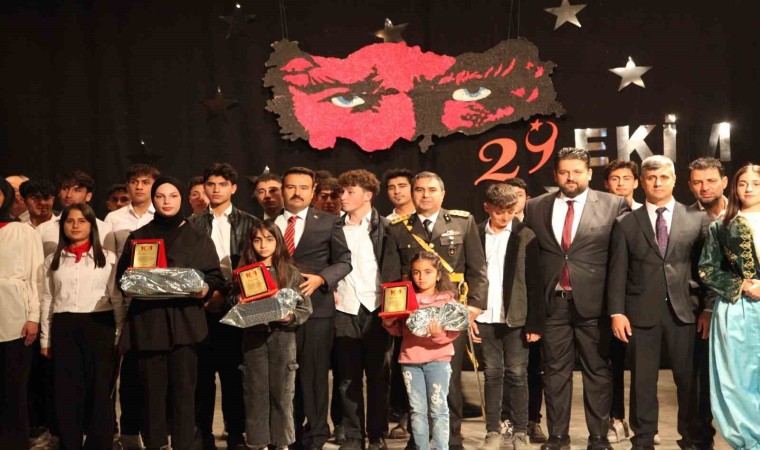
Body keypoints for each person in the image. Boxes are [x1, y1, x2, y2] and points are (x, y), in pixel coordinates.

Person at [523, 147, 628, 450]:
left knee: (598, 371)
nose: (571, 177)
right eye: (564, 172)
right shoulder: (535, 207)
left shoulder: (613, 204)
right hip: (553, 303)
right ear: (555, 174)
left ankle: (599, 438)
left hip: (595, 305)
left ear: (589, 174)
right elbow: (532, 262)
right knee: (554, 373)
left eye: (577, 172)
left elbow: (619, 261)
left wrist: (616, 307)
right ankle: (558, 437)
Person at [115, 176, 225, 450]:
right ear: (153, 199)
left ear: (181, 198)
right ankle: (155, 444)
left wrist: (205, 289)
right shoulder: (139, 237)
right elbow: (122, 279)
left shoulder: (198, 236)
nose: (167, 201)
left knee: (185, 394)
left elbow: (215, 276)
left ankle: (184, 444)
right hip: (148, 324)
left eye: (173, 195)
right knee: (151, 396)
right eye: (160, 196)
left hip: (186, 326)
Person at [607, 155, 710, 450]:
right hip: (640, 313)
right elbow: (617, 272)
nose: (658, 183)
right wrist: (617, 312)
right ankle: (642, 439)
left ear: (674, 180)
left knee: (690, 381)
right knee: (642, 381)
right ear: (642, 182)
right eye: (651, 178)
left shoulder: (697, 218)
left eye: (664, 177)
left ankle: (692, 438)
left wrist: (707, 308)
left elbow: (706, 269)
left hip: (686, 311)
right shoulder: (626, 222)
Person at [382, 171, 488, 450]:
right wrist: (393, 314)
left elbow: (477, 269)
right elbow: (392, 277)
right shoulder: (397, 228)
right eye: (419, 190)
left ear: (443, 194)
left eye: (431, 190)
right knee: (414, 381)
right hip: (413, 314)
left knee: (448, 380)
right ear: (412, 194)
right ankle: (418, 440)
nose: (425, 195)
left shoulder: (463, 222)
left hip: (450, 310)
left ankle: (451, 440)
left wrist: (474, 306)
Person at [275, 166, 351, 450]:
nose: (297, 193)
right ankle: (289, 435)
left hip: (317, 310)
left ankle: (317, 436)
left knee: (315, 375)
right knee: (284, 376)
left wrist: (322, 279)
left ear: (312, 191)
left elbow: (344, 261)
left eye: (303, 188)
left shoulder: (329, 222)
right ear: (283, 190)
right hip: (278, 312)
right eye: (291, 187)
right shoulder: (268, 224)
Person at [39, 203, 125, 450]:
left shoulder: (108, 259)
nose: (75, 226)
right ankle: (69, 443)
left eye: (82, 221)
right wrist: (45, 339)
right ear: (63, 226)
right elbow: (48, 299)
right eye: (69, 221)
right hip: (64, 327)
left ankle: (100, 443)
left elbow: (117, 299)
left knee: (100, 390)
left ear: (92, 225)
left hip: (99, 325)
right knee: (67, 391)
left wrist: (119, 334)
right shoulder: (52, 261)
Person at [188, 163, 260, 450]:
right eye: (211, 184)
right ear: (204, 187)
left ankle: (236, 433)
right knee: (201, 375)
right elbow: (187, 266)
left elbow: (255, 264)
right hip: (201, 306)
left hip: (236, 305)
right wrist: (207, 294)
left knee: (234, 375)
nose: (216, 190)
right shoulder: (191, 224)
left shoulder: (250, 223)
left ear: (234, 188)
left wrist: (228, 294)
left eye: (222, 184)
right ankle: (202, 433)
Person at [476, 183, 543, 450]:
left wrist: (535, 322)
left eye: (510, 211)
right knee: (492, 373)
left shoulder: (525, 235)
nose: (505, 217)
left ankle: (520, 432)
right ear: (487, 208)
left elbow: (535, 282)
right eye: (499, 211)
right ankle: (493, 431)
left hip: (516, 317)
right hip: (484, 315)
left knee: (517, 374)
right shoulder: (475, 233)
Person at [698, 162, 760, 450]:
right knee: (738, 379)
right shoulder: (722, 225)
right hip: (737, 309)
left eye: (756, 183)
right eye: (742, 183)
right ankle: (749, 441)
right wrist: (742, 285)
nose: (748, 189)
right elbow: (707, 269)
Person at [236, 221, 312, 450]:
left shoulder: (290, 272)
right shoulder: (245, 272)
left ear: (278, 242)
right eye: (257, 240)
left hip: (282, 337)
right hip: (254, 338)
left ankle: (282, 443)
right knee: (256, 392)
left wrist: (290, 317)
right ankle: (258, 442)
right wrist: (238, 302)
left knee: (282, 393)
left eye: (269, 239)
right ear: (251, 243)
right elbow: (232, 302)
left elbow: (305, 308)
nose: (263, 245)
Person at [334, 169, 392, 450]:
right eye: (342, 191)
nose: (343, 197)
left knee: (379, 376)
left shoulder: (386, 227)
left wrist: (392, 309)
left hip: (377, 308)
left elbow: (393, 268)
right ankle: (353, 435)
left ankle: (377, 434)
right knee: (347, 377)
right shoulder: (333, 227)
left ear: (367, 195)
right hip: (344, 308)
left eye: (350, 192)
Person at [382, 251, 462, 450]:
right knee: (417, 410)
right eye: (416, 272)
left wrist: (438, 334)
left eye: (427, 272)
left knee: (439, 408)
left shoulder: (446, 301)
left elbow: (454, 332)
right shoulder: (405, 298)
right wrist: (389, 321)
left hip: (438, 361)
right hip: (411, 360)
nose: (421, 277)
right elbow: (399, 330)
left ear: (438, 274)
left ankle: (442, 447)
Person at [104, 163, 158, 449]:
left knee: (149, 372)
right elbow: (108, 262)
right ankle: (123, 431)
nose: (139, 186)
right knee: (120, 371)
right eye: (134, 181)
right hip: (121, 299)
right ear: (127, 185)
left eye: (145, 181)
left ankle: (153, 432)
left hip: (153, 303)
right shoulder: (113, 218)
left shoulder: (162, 213)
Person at [499, 177, 546, 444]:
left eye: (518, 194)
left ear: (526, 198)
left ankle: (532, 420)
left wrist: (535, 321)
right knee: (502, 371)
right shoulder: (488, 229)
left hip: (529, 311)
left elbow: (536, 280)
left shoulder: (534, 229)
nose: (512, 199)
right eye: (508, 194)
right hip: (501, 312)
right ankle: (506, 420)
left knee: (532, 369)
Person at [687, 157, 728, 450]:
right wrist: (707, 307)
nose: (705, 187)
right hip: (701, 311)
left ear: (724, 182)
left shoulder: (747, 212)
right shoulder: (686, 217)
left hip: (746, 307)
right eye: (697, 182)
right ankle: (702, 440)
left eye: (711, 180)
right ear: (689, 185)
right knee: (701, 379)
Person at [0, 178, 44, 449]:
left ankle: (13, 442)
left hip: (15, 315)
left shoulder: (23, 232)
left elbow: (36, 277)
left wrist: (33, 317)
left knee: (13, 385)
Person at [602, 159, 643, 444]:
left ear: (636, 182)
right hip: (609, 298)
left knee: (642, 366)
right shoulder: (600, 213)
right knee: (612, 362)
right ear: (606, 183)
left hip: (641, 298)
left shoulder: (646, 213)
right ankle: (615, 419)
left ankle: (644, 426)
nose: (620, 183)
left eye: (626, 178)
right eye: (615, 179)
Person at [37, 170, 115, 256]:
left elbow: (111, 261)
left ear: (88, 196)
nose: (68, 195)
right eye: (65, 188)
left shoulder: (104, 229)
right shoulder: (43, 229)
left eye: (77, 190)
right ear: (59, 192)